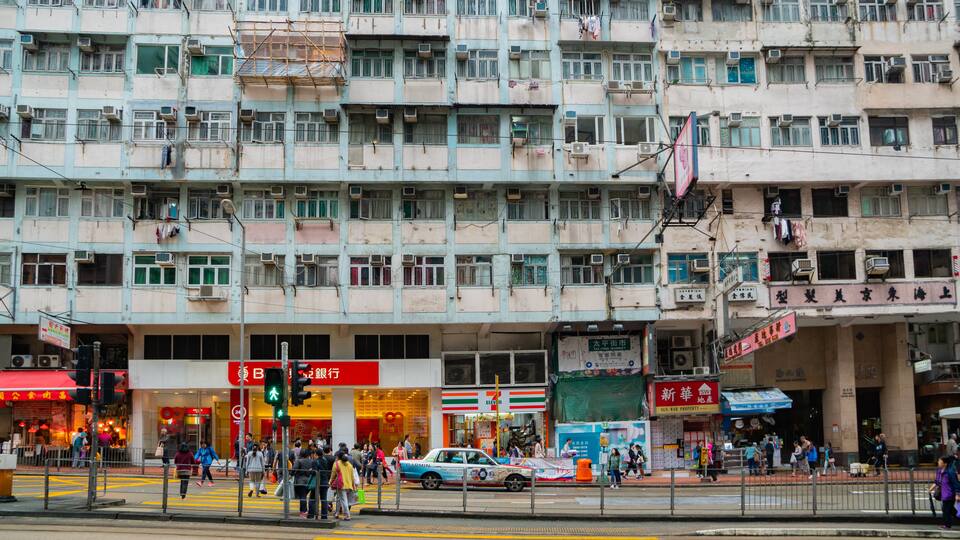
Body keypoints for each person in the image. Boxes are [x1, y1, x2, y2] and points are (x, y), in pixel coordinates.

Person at [931, 456, 960, 529]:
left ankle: (947, 525)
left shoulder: (950, 472)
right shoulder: (939, 471)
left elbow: (956, 483)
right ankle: (949, 524)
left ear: (945, 463)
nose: (938, 462)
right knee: (951, 510)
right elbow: (937, 482)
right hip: (944, 494)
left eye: (940, 461)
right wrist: (930, 489)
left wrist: (957, 494)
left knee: (946, 510)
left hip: (950, 494)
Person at [330, 452, 357, 521]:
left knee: (343, 500)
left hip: (341, 485)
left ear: (338, 457)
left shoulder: (336, 464)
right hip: (349, 484)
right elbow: (352, 476)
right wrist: (353, 485)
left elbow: (333, 475)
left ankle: (347, 515)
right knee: (339, 498)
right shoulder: (349, 465)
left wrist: (330, 482)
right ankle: (337, 513)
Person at [293, 448, 316, 518]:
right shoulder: (312, 461)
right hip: (309, 481)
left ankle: (303, 511)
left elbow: (294, 470)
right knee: (304, 496)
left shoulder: (298, 461)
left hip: (300, 481)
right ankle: (303, 511)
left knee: (302, 497)